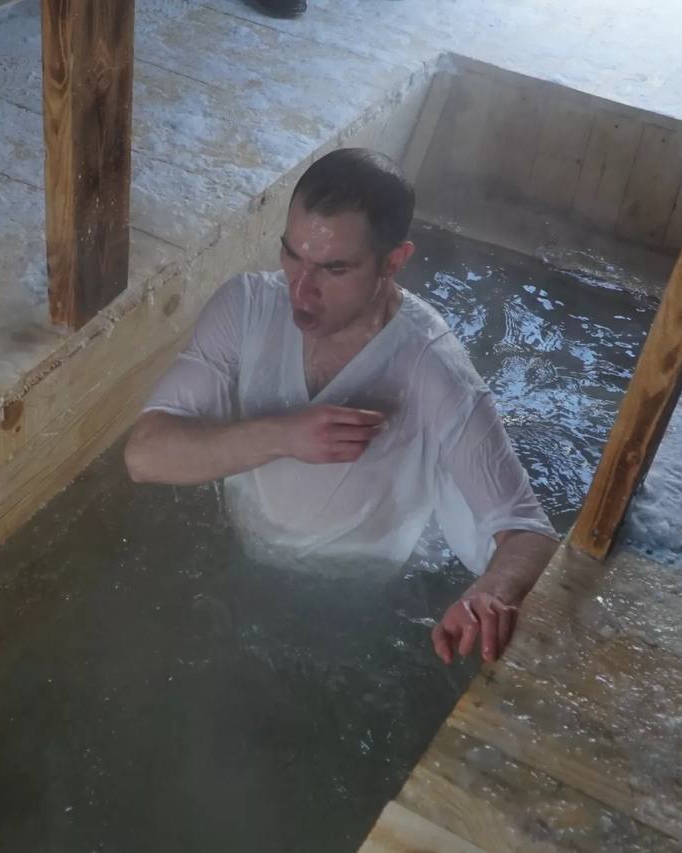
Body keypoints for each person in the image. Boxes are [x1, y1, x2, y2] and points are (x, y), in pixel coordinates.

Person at [124, 148, 559, 665]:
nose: (301, 290)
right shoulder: (246, 307)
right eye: (292, 256)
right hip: (238, 565)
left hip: (365, 603)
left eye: (334, 269)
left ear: (393, 262)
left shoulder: (431, 366)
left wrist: (489, 593)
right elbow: (144, 456)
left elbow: (530, 535)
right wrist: (283, 436)